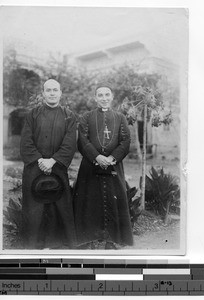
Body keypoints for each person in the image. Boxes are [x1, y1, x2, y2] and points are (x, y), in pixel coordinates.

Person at [74, 82, 133, 249]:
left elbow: (125, 141)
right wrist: (97, 157)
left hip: (113, 166)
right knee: (89, 201)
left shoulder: (120, 117)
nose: (104, 98)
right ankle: (88, 239)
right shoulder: (86, 117)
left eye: (107, 95)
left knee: (113, 202)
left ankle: (111, 240)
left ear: (112, 97)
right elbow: (82, 140)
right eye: (100, 95)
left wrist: (113, 158)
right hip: (90, 166)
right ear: (95, 98)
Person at [20, 79, 77, 249]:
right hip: (34, 168)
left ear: (60, 93)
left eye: (55, 90)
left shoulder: (69, 116)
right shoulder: (32, 114)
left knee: (57, 205)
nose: (52, 93)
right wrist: (40, 160)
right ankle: (33, 245)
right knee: (35, 208)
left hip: (57, 167)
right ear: (43, 93)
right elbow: (26, 142)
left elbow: (69, 143)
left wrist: (53, 160)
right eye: (48, 90)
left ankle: (58, 244)